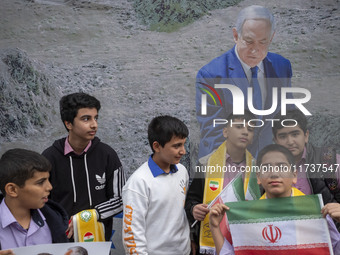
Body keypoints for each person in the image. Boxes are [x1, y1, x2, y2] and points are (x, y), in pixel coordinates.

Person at [196, 5, 292, 160]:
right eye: (249, 41)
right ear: (235, 35)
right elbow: (212, 132)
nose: (255, 50)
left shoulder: (282, 66)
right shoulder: (210, 75)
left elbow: (288, 117)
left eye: (263, 42)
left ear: (271, 38)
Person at [209, 144, 340, 255]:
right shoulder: (247, 216)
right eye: (266, 168)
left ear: (294, 175)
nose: (274, 173)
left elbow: (336, 248)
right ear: (258, 177)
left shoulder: (316, 211)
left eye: (282, 167)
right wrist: (215, 227)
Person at [42, 92, 125, 241]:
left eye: (96, 118)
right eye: (86, 119)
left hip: (99, 241)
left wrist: (89, 216)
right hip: (61, 243)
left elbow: (121, 199)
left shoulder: (107, 155)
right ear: (68, 124)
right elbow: (41, 203)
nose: (94, 124)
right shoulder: (49, 158)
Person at [185, 111, 260, 254]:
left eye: (250, 129)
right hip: (212, 236)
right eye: (239, 127)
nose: (245, 132)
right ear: (225, 131)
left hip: (244, 239)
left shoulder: (257, 169)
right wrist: (194, 209)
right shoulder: (206, 163)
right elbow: (192, 199)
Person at [122, 115, 191, 255]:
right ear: (157, 146)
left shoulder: (182, 171)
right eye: (177, 146)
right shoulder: (138, 183)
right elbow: (132, 235)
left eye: (183, 144)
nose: (183, 151)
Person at [0, 149, 68, 254]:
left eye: (48, 180)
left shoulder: (55, 221)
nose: (49, 187)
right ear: (12, 190)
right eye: (40, 182)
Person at [272, 109, 340, 204]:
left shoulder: (329, 160)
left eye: (295, 134)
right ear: (275, 141)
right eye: (283, 136)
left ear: (306, 136)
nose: (290, 142)